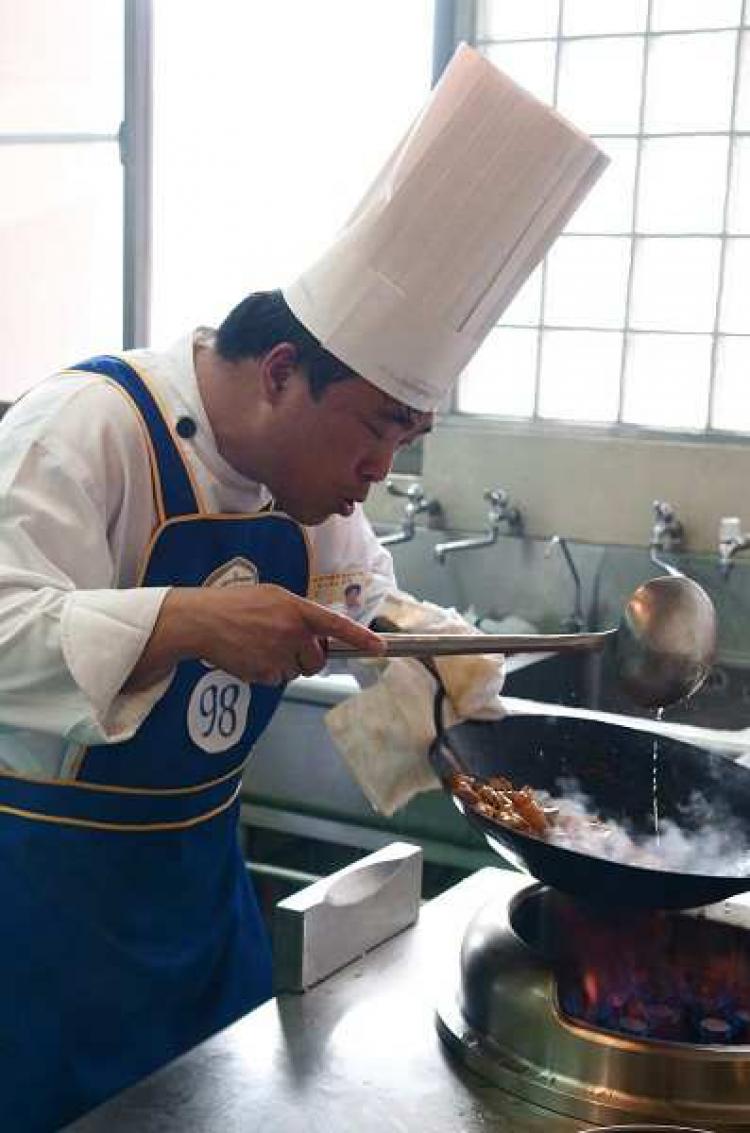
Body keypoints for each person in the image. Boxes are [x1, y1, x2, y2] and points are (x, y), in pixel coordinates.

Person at [0, 44, 605, 1130]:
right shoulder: (87, 428)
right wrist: (188, 620)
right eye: (378, 426)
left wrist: (484, 701)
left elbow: (374, 614)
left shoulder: (316, 498)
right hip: (33, 919)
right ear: (281, 370)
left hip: (197, 906)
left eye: (408, 436)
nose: (383, 471)